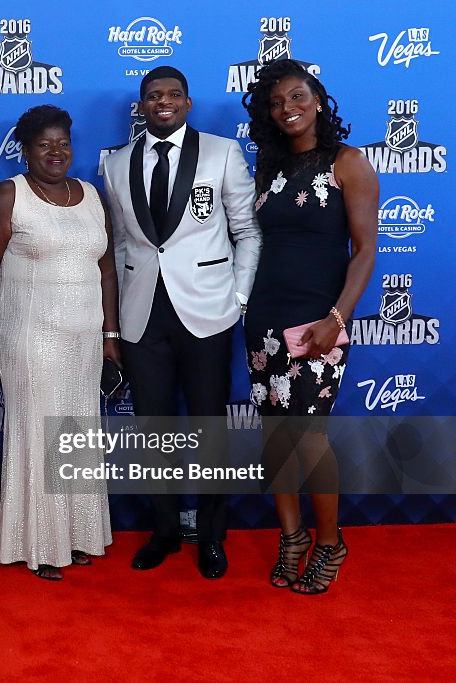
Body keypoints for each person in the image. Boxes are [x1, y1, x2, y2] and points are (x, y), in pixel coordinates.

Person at [102, 66, 262, 579]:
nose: (162, 102)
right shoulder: (116, 164)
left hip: (209, 311)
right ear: (141, 106)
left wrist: (237, 298)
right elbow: (124, 244)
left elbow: (248, 232)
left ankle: (212, 536)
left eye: (172, 95)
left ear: (188, 103)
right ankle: (165, 530)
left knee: (208, 428)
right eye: (153, 96)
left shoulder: (221, 154)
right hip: (142, 316)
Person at [242, 59, 377, 594]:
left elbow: (365, 251)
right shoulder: (267, 168)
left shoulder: (348, 162)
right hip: (264, 319)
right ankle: (291, 537)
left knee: (310, 436)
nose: (288, 108)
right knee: (276, 437)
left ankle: (329, 542)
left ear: (318, 99)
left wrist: (337, 317)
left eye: (297, 97)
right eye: (276, 103)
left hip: (320, 320)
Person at [0, 105, 118, 580]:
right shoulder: (9, 196)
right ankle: (39, 545)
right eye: (43, 144)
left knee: (76, 435)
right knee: (40, 437)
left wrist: (110, 336)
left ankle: (75, 536)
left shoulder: (92, 195)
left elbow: (107, 269)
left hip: (84, 340)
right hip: (31, 337)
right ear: (25, 150)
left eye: (63, 143)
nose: (56, 152)